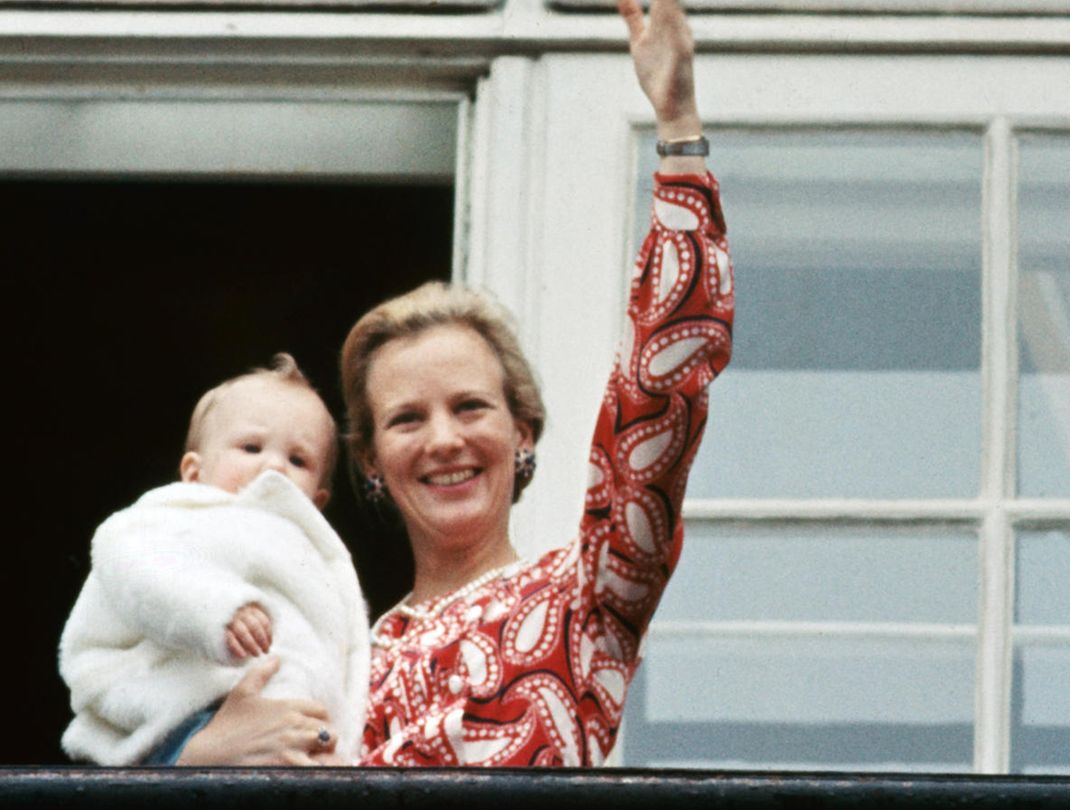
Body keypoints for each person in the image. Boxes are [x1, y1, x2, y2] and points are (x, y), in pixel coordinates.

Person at [173, 0, 731, 766]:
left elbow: (660, 397)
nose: (444, 439)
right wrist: (194, 756)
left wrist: (678, 128)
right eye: (406, 419)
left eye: (471, 406)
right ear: (369, 459)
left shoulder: (584, 598)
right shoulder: (336, 658)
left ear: (522, 430)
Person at [58, 354, 368, 766]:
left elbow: (348, 652)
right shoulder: (171, 514)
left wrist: (344, 749)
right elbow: (137, 568)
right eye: (251, 447)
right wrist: (217, 609)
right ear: (193, 471)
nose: (274, 465)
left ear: (318, 501)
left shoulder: (322, 558)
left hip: (289, 741)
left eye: (298, 460)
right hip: (180, 718)